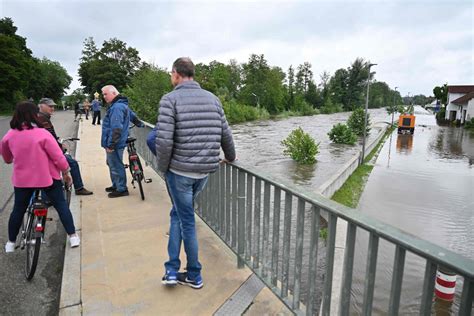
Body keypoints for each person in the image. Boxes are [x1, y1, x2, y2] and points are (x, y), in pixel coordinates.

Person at [156, 57, 235, 288]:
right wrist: (230, 157)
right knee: (178, 215)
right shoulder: (213, 99)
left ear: (176, 74)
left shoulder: (170, 100)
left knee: (186, 220)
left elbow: (164, 141)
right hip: (203, 173)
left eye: (171, 74)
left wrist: (164, 169)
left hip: (180, 172)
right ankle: (171, 270)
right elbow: (225, 134)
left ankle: (193, 274)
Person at [1, 101, 80, 252]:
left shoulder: (10, 135)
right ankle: (73, 236)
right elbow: (58, 157)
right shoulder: (43, 134)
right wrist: (66, 172)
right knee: (61, 205)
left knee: (18, 209)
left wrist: (11, 158)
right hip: (47, 179)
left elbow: (6, 158)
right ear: (34, 115)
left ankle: (11, 243)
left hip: (22, 181)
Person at [37, 98, 93, 196]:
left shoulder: (41, 117)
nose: (52, 108)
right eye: (50, 106)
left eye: (53, 106)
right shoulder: (42, 119)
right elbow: (49, 139)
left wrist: (58, 140)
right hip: (49, 152)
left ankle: (46, 197)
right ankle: (79, 188)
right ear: (41, 106)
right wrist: (60, 147)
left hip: (41, 152)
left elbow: (51, 136)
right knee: (73, 163)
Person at [101, 85, 132, 198]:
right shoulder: (118, 105)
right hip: (113, 142)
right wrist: (139, 123)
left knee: (116, 165)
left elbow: (116, 128)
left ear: (113, 93)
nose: (104, 97)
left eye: (105, 94)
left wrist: (111, 145)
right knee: (111, 164)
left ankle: (122, 189)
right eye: (103, 94)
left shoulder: (117, 107)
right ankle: (116, 185)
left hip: (115, 144)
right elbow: (131, 115)